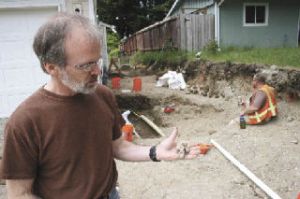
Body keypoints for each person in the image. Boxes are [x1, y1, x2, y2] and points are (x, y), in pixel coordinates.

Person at [0, 13, 200, 199]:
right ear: (51, 67)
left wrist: (155, 152)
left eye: (97, 61)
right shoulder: (24, 122)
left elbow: (118, 146)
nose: (97, 71)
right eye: (85, 65)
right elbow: (19, 194)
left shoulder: (102, 95)